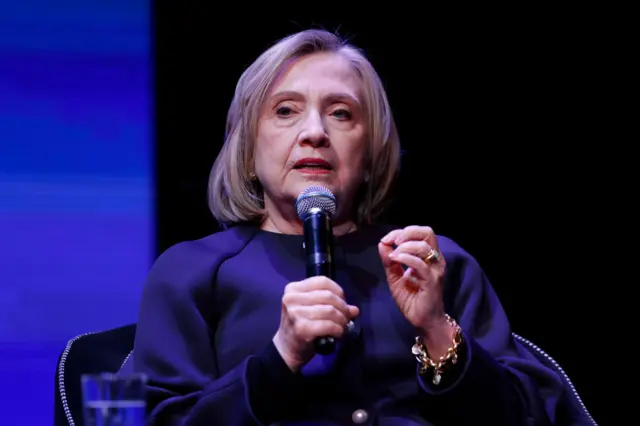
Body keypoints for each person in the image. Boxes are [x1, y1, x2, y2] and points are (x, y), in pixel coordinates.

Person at [129, 29, 593, 425]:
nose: (315, 132)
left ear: (370, 155)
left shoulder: (434, 262)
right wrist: (280, 358)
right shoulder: (192, 271)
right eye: (285, 111)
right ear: (248, 150)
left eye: (341, 113)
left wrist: (436, 330)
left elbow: (534, 415)